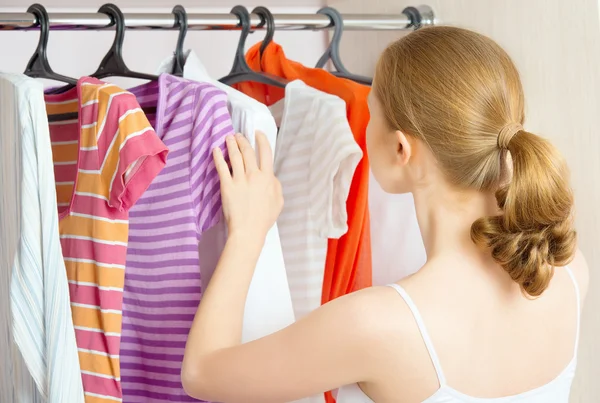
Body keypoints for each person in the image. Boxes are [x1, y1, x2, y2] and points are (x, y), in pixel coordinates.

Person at [180, 26, 589, 403]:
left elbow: (200, 373)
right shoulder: (570, 271)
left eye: (370, 114)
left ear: (400, 150)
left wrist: (249, 231)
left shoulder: (378, 325)